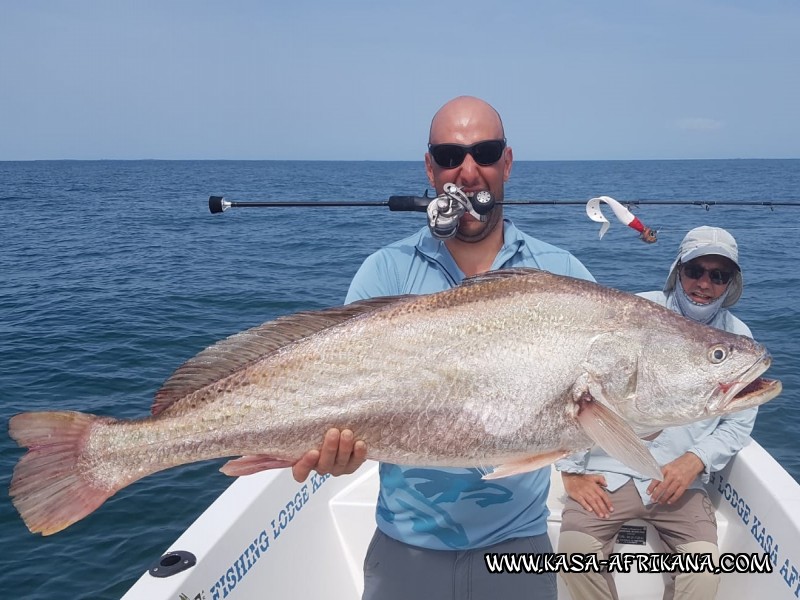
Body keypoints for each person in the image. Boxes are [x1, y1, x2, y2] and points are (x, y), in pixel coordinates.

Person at [292, 95, 594, 600]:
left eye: (486, 151)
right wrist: (334, 451)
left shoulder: (562, 275)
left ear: (508, 162)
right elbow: (339, 394)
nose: (469, 171)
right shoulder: (384, 273)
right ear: (431, 169)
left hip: (519, 546)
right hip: (405, 546)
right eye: (451, 156)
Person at [556, 226, 757, 600]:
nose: (704, 284)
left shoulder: (738, 342)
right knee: (573, 553)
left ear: (730, 284)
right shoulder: (633, 314)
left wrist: (695, 460)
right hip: (610, 470)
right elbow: (582, 390)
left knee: (704, 574)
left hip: (680, 483)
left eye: (718, 275)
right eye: (695, 270)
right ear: (677, 270)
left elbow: (737, 423)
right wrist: (571, 472)